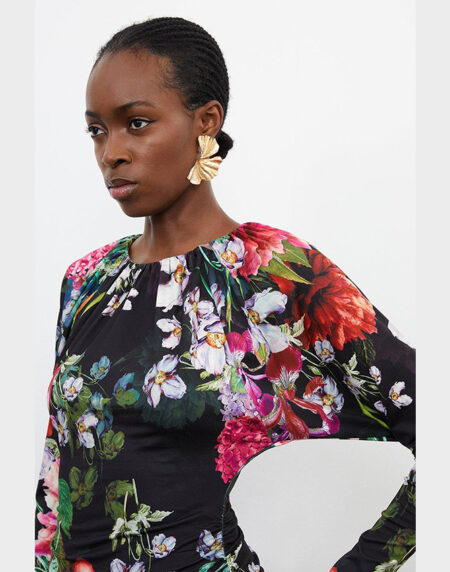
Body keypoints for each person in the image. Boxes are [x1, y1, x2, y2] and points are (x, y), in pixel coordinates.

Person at [34, 16, 416, 572]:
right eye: (97, 130)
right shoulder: (87, 279)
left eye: (136, 123)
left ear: (206, 122)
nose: (110, 151)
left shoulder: (268, 272)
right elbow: (56, 475)